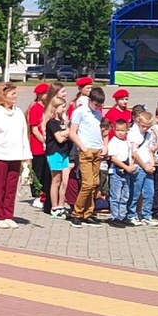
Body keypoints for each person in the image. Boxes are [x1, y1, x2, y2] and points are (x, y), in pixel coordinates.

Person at [0, 81, 30, 228]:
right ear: (3, 95)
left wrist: (26, 156)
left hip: (15, 155)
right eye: (13, 93)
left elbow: (24, 135)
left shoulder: (18, 113)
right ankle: (0, 216)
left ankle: (9, 215)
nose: (15, 96)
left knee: (11, 187)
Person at [69, 87, 105, 228]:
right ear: (90, 100)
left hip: (97, 150)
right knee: (87, 184)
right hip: (86, 150)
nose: (97, 107)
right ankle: (76, 213)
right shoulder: (80, 112)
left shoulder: (98, 113)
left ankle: (87, 213)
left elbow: (99, 131)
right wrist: (81, 146)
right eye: (96, 104)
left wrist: (103, 145)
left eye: (99, 105)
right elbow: (73, 132)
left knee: (94, 184)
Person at [43, 87, 71, 221]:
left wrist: (66, 133)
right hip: (54, 153)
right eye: (61, 107)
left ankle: (61, 205)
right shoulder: (52, 123)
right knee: (56, 180)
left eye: (64, 107)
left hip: (64, 153)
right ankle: (54, 207)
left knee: (65, 182)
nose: (63, 109)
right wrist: (67, 133)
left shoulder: (62, 122)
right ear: (54, 108)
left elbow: (67, 134)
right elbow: (59, 138)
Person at [129, 110, 158, 226]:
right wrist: (145, 166)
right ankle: (131, 214)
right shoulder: (134, 133)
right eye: (143, 126)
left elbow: (150, 150)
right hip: (138, 166)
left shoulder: (149, 134)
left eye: (147, 127)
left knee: (149, 192)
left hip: (147, 166)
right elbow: (134, 153)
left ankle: (146, 215)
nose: (145, 129)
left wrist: (152, 164)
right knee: (135, 192)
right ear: (138, 122)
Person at [106, 120, 136, 227]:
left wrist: (131, 165)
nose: (120, 133)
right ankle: (115, 216)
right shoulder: (113, 142)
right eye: (118, 130)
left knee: (125, 195)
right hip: (116, 172)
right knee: (116, 196)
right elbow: (114, 158)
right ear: (114, 130)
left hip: (126, 172)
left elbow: (131, 155)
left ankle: (122, 216)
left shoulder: (127, 142)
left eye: (123, 130)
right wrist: (126, 167)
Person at [26, 83, 51, 212]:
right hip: (37, 145)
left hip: (47, 145)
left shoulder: (47, 107)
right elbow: (34, 129)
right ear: (39, 95)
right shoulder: (35, 108)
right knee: (38, 171)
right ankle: (37, 195)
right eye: (46, 93)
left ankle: (45, 195)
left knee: (47, 172)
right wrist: (44, 141)